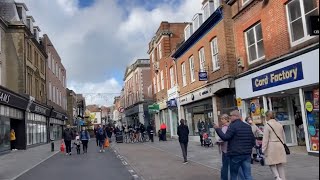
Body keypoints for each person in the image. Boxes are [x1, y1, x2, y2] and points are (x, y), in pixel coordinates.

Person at [214, 110, 255, 180]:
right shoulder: (247, 126)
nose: (230, 118)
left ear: (235, 116)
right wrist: (248, 149)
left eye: (231, 116)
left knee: (234, 175)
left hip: (236, 154)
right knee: (248, 175)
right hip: (247, 154)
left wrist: (217, 129)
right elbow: (253, 141)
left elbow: (225, 137)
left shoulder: (233, 126)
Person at [262, 111, 287, 180]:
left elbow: (265, 139)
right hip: (280, 145)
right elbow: (283, 137)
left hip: (271, 146)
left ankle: (277, 177)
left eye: (265, 116)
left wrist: (263, 149)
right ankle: (283, 178)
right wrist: (283, 144)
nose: (265, 118)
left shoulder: (267, 126)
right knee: (280, 163)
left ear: (268, 117)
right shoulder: (279, 124)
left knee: (271, 162)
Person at [216, 114, 230, 180]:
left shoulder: (225, 127)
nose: (221, 120)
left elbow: (223, 137)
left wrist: (218, 141)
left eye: (222, 119)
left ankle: (224, 178)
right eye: (221, 119)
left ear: (226, 119)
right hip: (228, 148)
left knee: (225, 166)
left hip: (226, 149)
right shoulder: (229, 126)